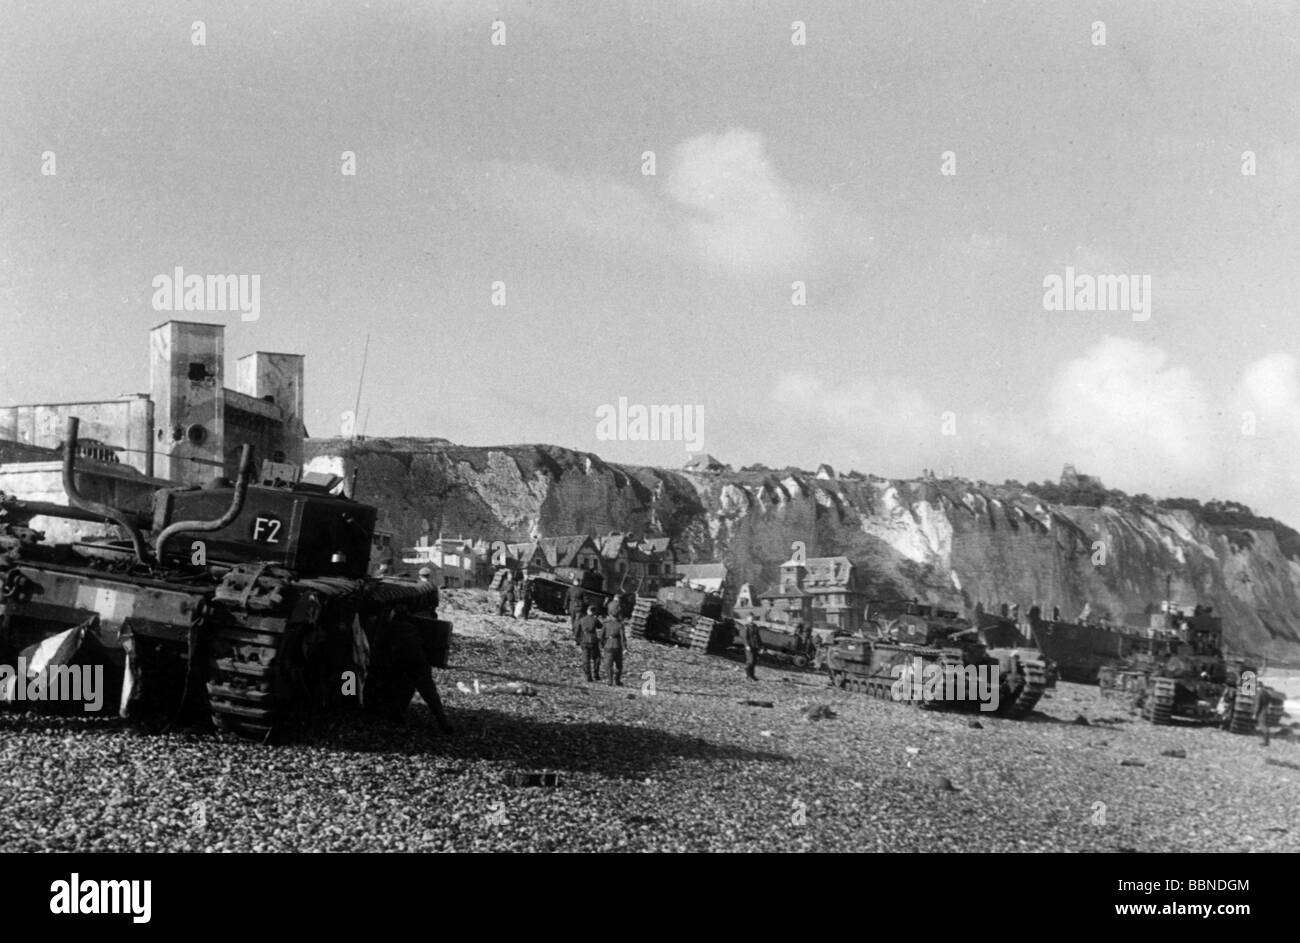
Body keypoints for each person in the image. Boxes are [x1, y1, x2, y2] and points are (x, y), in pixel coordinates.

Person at [366, 606, 453, 734]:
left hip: (409, 665)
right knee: (427, 695)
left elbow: (393, 651)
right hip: (419, 665)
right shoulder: (411, 628)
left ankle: (396, 717)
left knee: (407, 691)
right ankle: (443, 722)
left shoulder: (396, 629)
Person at [575, 604, 603, 682]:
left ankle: (588, 676)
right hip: (593, 640)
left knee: (585, 659)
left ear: (587, 611)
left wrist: (577, 640)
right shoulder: (595, 619)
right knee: (597, 657)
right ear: (594, 612)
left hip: (584, 639)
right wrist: (596, 618)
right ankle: (596, 674)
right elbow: (600, 626)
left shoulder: (582, 619)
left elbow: (577, 631)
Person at [600, 610, 628, 686]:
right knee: (619, 665)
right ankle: (617, 680)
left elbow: (601, 636)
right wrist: (625, 648)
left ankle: (610, 681)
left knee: (608, 665)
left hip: (608, 645)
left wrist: (602, 645)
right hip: (617, 646)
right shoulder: (620, 625)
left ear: (610, 616)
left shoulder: (606, 624)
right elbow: (623, 638)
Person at [743, 614, 762, 681]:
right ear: (747, 619)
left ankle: (752, 675)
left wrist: (761, 646)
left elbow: (758, 637)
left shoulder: (755, 626)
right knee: (750, 661)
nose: (752, 620)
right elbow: (745, 637)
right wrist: (747, 645)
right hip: (749, 646)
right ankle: (748, 675)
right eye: (750, 618)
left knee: (754, 661)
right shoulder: (746, 627)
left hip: (755, 646)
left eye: (752, 618)